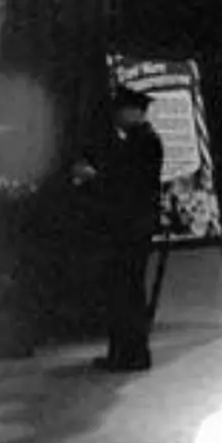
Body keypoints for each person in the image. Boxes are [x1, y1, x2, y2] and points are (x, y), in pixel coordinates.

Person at [72, 85, 164, 371]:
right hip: (132, 225)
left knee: (127, 291)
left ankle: (130, 354)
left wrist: (92, 177)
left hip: (131, 227)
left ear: (133, 111)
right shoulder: (139, 140)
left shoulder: (143, 142)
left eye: (121, 110)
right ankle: (125, 352)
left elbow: (124, 185)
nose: (116, 116)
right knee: (126, 290)